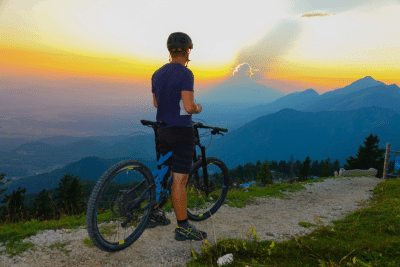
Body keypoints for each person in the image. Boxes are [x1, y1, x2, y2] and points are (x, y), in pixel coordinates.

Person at [149, 32, 207, 241]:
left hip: (162, 131)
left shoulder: (157, 73)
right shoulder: (185, 73)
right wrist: (197, 108)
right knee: (179, 180)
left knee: (162, 172)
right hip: (182, 132)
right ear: (188, 50)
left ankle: (152, 212)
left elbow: (157, 103)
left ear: (170, 51)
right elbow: (189, 106)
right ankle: (183, 228)